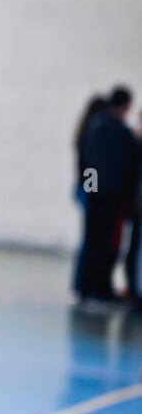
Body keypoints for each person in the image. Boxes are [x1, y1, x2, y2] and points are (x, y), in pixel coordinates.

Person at [76, 85, 137, 304]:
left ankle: (88, 287)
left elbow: (90, 163)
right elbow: (126, 167)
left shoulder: (96, 126)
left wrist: (92, 191)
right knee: (104, 245)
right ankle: (97, 288)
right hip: (110, 198)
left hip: (99, 196)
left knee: (94, 243)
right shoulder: (119, 131)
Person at [73, 94, 109, 295]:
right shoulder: (92, 132)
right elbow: (90, 167)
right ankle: (82, 285)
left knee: (88, 237)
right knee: (89, 238)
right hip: (87, 189)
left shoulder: (86, 129)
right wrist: (93, 190)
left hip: (84, 188)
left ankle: (82, 284)